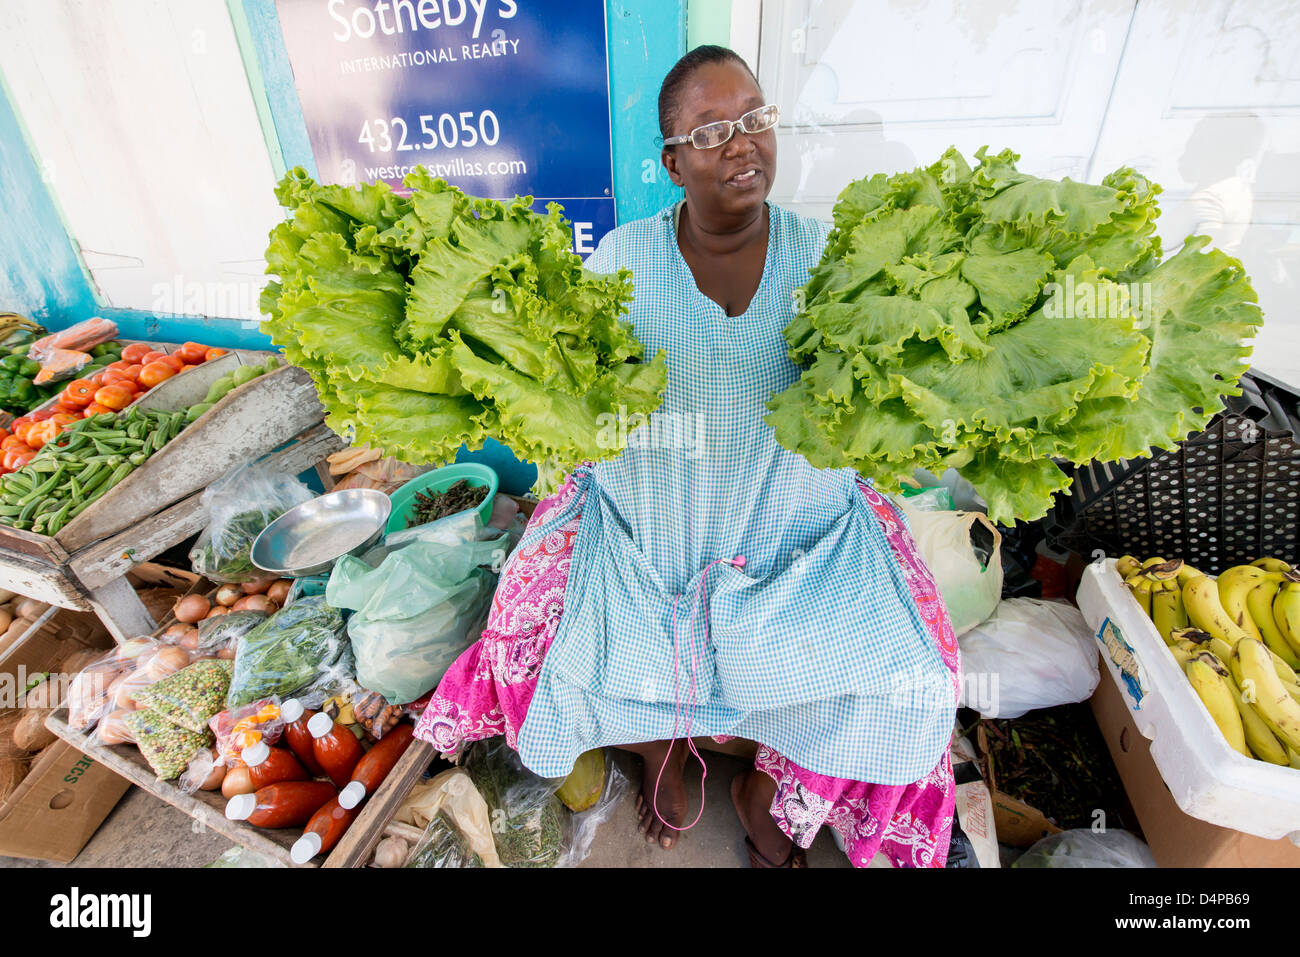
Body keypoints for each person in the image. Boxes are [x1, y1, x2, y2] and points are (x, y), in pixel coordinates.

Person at [416, 45, 960, 868]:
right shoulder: (619, 265)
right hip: (649, 530)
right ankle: (657, 750)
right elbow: (578, 407)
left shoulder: (837, 263)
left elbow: (888, 397)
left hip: (795, 536)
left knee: (914, 679)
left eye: (755, 120)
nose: (743, 144)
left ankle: (767, 792)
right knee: (531, 640)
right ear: (673, 161)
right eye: (713, 132)